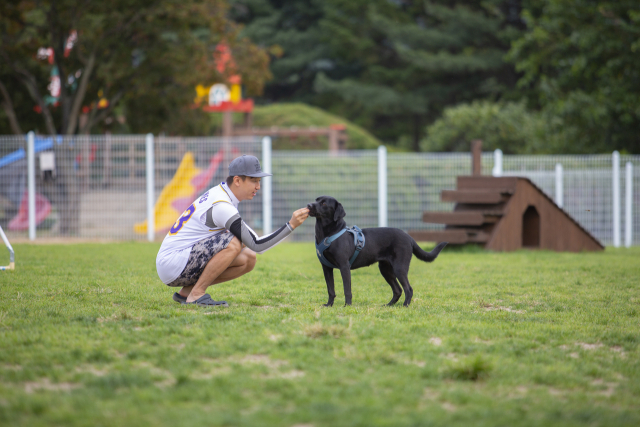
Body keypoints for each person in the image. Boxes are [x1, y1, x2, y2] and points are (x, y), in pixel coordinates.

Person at [156, 154, 309, 307]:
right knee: (235, 242)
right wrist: (291, 225)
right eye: (254, 180)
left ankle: (187, 292)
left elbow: (252, 243)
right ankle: (196, 295)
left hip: (176, 262)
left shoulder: (222, 194)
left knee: (248, 258)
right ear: (237, 180)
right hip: (172, 263)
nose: (258, 186)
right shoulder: (222, 204)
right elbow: (257, 244)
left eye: (259, 181)